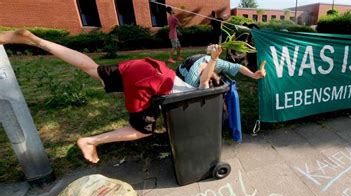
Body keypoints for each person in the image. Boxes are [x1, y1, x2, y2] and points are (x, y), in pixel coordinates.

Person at [0, 30, 223, 163]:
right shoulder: (199, 90)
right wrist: (213, 58)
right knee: (142, 131)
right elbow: (205, 82)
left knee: (92, 68)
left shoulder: (187, 79)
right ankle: (90, 141)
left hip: (147, 67)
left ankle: (38, 41)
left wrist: (211, 57)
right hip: (148, 83)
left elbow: (204, 76)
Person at [176, 48, 264, 89]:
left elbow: (237, 66)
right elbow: (188, 96)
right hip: (181, 73)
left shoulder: (217, 63)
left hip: (201, 60)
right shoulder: (192, 80)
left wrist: (253, 75)